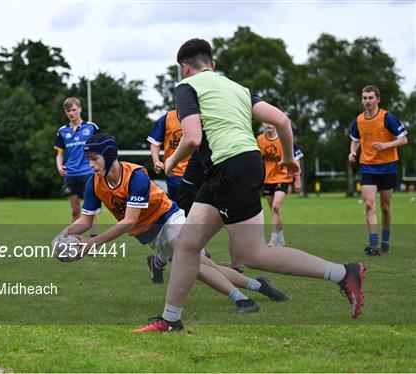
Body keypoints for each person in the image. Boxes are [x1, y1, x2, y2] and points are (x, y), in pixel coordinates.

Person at [134, 38, 365, 332]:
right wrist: (288, 158)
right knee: (189, 245)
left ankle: (344, 273)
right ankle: (170, 320)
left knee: (255, 254)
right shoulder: (238, 88)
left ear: (184, 68)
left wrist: (169, 161)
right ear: (213, 65)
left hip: (230, 167)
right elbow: (281, 120)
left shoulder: (186, 87)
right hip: (235, 166)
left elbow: (192, 138)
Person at [59, 133, 289, 313]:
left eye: (94, 159)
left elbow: (129, 220)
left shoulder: (136, 175)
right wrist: (67, 231)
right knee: (209, 267)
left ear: (109, 156)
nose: (90, 164)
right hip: (150, 234)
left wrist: (94, 243)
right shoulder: (94, 183)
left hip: (169, 218)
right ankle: (260, 285)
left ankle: (243, 301)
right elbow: (86, 220)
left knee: (193, 266)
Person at [348, 85, 408, 255]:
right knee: (369, 204)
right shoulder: (359, 120)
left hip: (388, 167)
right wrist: (353, 152)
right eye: (364, 98)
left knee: (385, 207)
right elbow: (355, 139)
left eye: (370, 98)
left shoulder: (387, 118)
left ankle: (385, 241)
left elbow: (403, 140)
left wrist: (385, 145)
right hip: (367, 167)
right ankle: (373, 244)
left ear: (378, 99)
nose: (367, 101)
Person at [146, 109, 190, 283]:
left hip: (198, 174)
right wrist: (157, 160)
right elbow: (154, 142)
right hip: (175, 176)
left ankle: (159, 261)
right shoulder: (167, 118)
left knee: (194, 219)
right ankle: (184, 255)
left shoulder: (199, 115)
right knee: (182, 219)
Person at [55, 97, 98, 236]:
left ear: (80, 109)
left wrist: (97, 164)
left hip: (88, 173)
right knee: (75, 210)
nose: (71, 113)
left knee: (91, 209)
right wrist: (59, 166)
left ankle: (94, 241)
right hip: (71, 174)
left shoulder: (91, 127)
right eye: (68, 111)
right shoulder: (62, 131)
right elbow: (59, 154)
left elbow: (100, 148)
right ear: (65, 112)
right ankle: (74, 240)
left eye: (74, 110)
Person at [257, 122, 304, 247]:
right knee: (274, 211)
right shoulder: (260, 140)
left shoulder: (284, 138)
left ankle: (273, 239)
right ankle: (281, 237)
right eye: (265, 122)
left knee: (276, 207)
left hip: (282, 178)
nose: (268, 125)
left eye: (271, 122)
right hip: (267, 180)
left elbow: (296, 157)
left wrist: (297, 179)